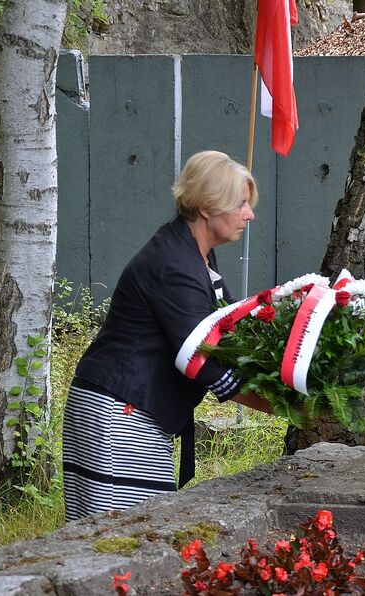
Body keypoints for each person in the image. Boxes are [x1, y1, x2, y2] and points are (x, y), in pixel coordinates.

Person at [62, 150, 272, 522]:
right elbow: (203, 360)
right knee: (118, 535)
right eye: (240, 204)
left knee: (130, 533)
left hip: (128, 408)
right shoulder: (175, 264)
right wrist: (283, 407)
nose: (249, 214)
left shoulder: (196, 255)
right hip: (119, 414)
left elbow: (231, 327)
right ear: (207, 206)